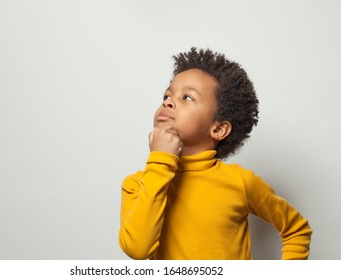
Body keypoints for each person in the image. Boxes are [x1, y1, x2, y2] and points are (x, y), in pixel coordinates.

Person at [118, 47, 312, 260]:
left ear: (218, 129)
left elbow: (297, 230)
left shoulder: (240, 183)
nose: (168, 102)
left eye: (188, 98)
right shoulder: (137, 185)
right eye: (167, 95)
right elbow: (138, 250)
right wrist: (160, 160)